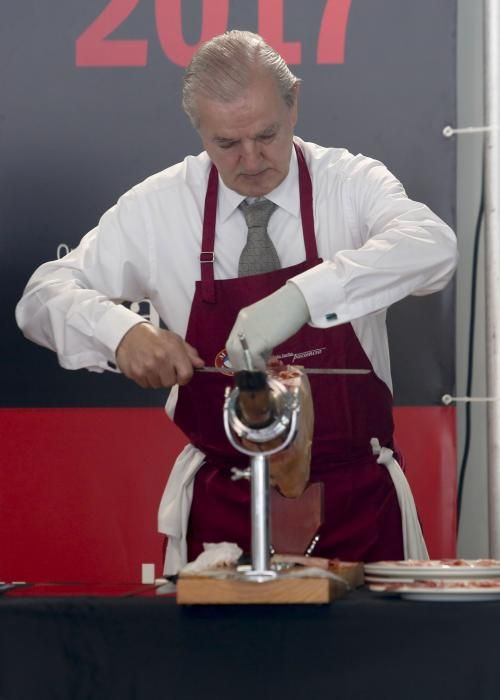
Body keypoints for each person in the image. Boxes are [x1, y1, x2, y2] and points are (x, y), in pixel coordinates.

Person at [16, 30, 458, 574]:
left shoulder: (349, 185)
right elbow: (43, 294)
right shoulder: (160, 207)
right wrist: (120, 332)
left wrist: (303, 296)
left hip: (358, 508)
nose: (251, 160)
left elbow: (434, 246)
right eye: (226, 144)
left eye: (266, 134)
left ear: (294, 101)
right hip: (222, 518)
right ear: (198, 128)